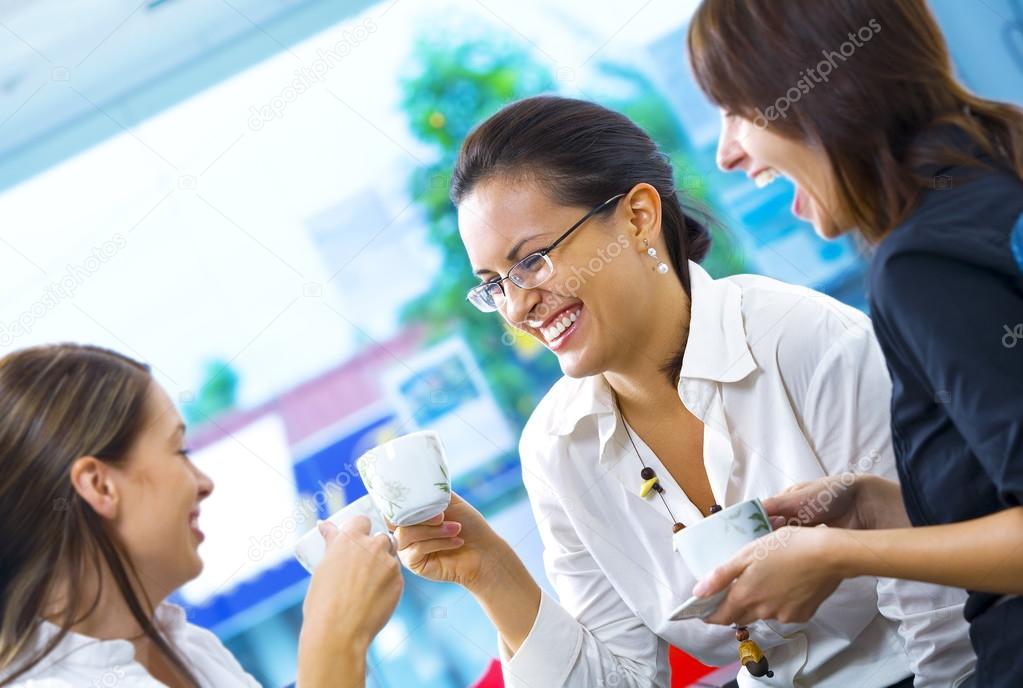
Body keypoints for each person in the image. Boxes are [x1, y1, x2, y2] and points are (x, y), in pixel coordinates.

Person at [390, 95, 976, 686]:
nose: (518, 306)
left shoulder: (802, 339)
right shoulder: (555, 448)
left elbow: (941, 614)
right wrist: (490, 570)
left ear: (638, 216)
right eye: (494, 285)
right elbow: (623, 681)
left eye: (533, 261)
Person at [685, 1, 1023, 685]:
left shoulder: (922, 262)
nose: (726, 152)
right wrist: (873, 506)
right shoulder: (992, 172)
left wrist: (838, 556)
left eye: (736, 111)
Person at [0, 344, 403, 688]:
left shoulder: (190, 645)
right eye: (180, 452)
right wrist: (334, 637)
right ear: (100, 485)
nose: (204, 482)